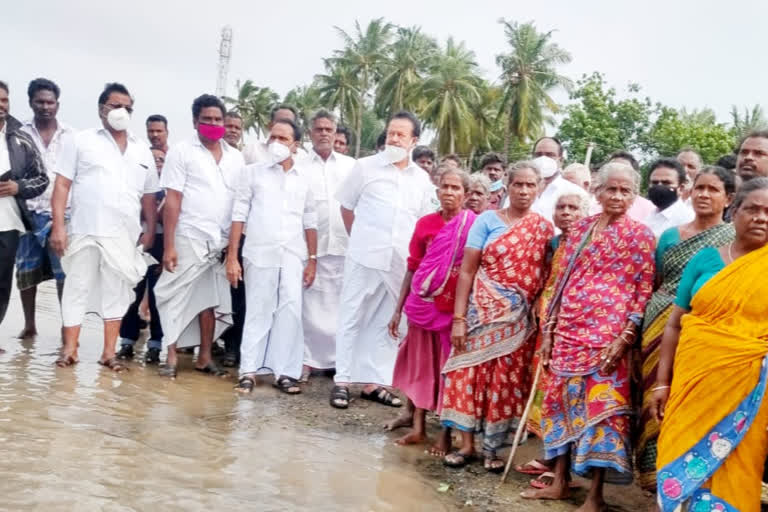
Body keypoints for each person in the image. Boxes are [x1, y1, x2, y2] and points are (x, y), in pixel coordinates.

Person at [523, 162, 655, 511]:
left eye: (625, 190)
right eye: (611, 189)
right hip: (567, 332)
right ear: (597, 191)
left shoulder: (641, 235)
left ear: (634, 195)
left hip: (608, 340)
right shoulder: (580, 229)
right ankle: (560, 482)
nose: (617, 196)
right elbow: (559, 282)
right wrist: (549, 333)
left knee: (604, 414)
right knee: (560, 407)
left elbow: (642, 292)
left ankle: (595, 496)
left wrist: (623, 339)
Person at [652, 178, 768, 512]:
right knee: (677, 451)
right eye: (753, 209)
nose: (761, 217)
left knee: (738, 464)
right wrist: (662, 381)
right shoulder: (704, 259)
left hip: (748, 391)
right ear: (735, 212)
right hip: (691, 384)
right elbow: (674, 323)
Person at [441, 161, 554, 473]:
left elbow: (545, 273)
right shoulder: (488, 221)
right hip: (481, 311)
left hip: (518, 319)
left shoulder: (543, 229)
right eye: (518, 184)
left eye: (531, 185)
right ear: (507, 186)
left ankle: (492, 449)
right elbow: (467, 270)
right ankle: (466, 444)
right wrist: (460, 319)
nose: (524, 190)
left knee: (504, 381)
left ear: (539, 188)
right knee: (467, 372)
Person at [636, 166, 735, 493]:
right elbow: (660, 278)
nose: (704, 195)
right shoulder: (669, 235)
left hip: (703, 330)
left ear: (728, 198)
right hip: (659, 323)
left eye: (713, 189)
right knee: (654, 394)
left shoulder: (734, 239)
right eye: (699, 188)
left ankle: (689, 473)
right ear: (689, 193)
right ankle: (654, 472)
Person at [329, 111, 435, 410]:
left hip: (400, 262)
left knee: (390, 321)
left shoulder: (422, 179)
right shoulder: (365, 168)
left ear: (414, 140)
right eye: (391, 133)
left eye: (401, 134)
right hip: (364, 255)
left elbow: (423, 221)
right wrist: (360, 239)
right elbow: (346, 208)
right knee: (351, 315)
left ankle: (375, 382)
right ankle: (343, 381)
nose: (394, 138)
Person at [50, 82, 157, 370]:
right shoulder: (80, 141)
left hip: (124, 235)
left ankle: (109, 353)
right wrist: (58, 226)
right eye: (115, 105)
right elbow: (62, 185)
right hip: (85, 229)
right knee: (76, 288)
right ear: (101, 109)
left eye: (128, 108)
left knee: (118, 292)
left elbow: (149, 196)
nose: (121, 111)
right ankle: (70, 349)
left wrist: (149, 229)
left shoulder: (141, 150)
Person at [154, 94, 244, 378]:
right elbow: (173, 200)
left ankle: (204, 357)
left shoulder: (236, 158)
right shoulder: (182, 152)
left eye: (218, 119)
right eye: (207, 119)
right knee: (175, 296)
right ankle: (169, 354)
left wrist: (232, 251)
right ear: (195, 122)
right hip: (188, 237)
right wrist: (168, 246)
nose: (213, 124)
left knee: (211, 301)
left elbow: (239, 207)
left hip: (219, 243)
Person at [227, 119, 317, 394]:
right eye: (273, 137)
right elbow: (239, 214)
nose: (276, 143)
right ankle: (249, 370)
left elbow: (310, 221)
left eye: (283, 138)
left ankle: (285, 372)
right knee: (258, 307)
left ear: (296, 145)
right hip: (258, 250)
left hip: (293, 253)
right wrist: (233, 256)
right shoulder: (252, 173)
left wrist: (313, 259)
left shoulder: (305, 177)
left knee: (290, 309)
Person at [388, 168, 473, 450]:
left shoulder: (472, 226)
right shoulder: (425, 224)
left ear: (466, 194)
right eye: (445, 187)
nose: (449, 192)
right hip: (421, 307)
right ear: (437, 191)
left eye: (455, 188)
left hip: (452, 311)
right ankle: (419, 428)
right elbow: (413, 267)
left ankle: (445, 435)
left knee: (447, 370)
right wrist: (398, 309)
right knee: (421, 367)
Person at [518, 187, 591, 485]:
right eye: (562, 207)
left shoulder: (590, 243)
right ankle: (550, 455)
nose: (567, 213)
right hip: (546, 321)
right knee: (544, 389)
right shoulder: (555, 243)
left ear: (585, 213)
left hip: (573, 325)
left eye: (574, 208)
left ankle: (563, 468)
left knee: (565, 392)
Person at [15, 78, 75, 339]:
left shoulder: (71, 136)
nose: (45, 106)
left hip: (61, 214)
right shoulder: (19, 135)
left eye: (50, 102)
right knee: (26, 272)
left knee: (65, 274)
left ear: (58, 105)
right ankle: (30, 325)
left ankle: (67, 327)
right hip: (26, 212)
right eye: (40, 101)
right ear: (31, 102)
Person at [300, 110, 356, 380]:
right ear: (311, 133)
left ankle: (337, 361)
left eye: (328, 129)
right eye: (319, 129)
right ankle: (306, 360)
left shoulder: (350, 166)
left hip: (344, 246)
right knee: (309, 307)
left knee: (339, 307)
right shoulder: (299, 164)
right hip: (309, 247)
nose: (323, 133)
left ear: (335, 134)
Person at [0, 80, 48, 335]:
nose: (1, 105)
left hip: (8, 223)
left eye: (4, 100)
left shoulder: (20, 138)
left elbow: (42, 178)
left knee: (2, 282)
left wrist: (18, 187)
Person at [117, 146, 167, 364]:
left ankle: (155, 345)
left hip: (161, 245)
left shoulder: (169, 187)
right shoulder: (133, 184)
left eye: (161, 160)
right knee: (131, 293)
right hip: (134, 242)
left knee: (158, 297)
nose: (157, 163)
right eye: (153, 159)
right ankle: (126, 341)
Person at [644, 158, 695, 238]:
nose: (659, 186)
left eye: (666, 183)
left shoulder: (688, 220)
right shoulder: (647, 215)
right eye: (655, 183)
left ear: (681, 188)